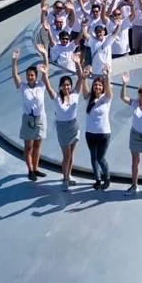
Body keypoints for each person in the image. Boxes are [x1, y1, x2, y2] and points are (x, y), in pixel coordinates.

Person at [11, 45, 56, 181]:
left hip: (40, 118)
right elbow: (15, 76)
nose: (30, 77)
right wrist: (14, 61)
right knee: (28, 146)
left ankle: (36, 168)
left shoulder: (41, 85)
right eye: (28, 75)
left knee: (37, 145)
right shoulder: (23, 87)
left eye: (32, 75)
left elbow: (45, 70)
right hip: (28, 119)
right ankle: (30, 170)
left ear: (36, 76)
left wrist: (44, 55)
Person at [53, 58, 85, 188]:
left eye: (68, 85)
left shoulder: (75, 94)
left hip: (74, 127)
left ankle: (68, 174)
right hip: (62, 129)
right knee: (66, 155)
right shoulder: (56, 97)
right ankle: (65, 179)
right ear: (60, 86)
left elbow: (81, 78)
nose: (67, 87)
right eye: (64, 85)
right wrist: (44, 74)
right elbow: (48, 86)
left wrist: (77, 63)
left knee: (71, 155)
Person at [81, 68, 113, 189]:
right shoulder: (89, 97)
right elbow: (84, 89)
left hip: (103, 134)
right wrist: (84, 78)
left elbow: (109, 90)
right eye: (95, 85)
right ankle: (97, 179)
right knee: (93, 157)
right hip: (90, 133)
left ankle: (107, 177)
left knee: (100, 158)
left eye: (100, 85)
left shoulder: (106, 98)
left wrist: (107, 77)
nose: (97, 87)